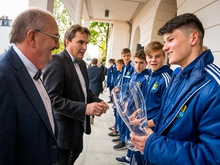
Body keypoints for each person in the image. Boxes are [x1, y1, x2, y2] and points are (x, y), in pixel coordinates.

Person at [130, 13, 220, 165]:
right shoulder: (178, 75)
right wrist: (146, 126)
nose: (164, 48)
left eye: (170, 40)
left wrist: (153, 145)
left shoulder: (214, 86)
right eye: (164, 42)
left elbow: (212, 158)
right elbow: (168, 116)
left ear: (193, 38)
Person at [0, 8, 59, 164]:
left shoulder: (32, 69)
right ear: (32, 37)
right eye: (55, 37)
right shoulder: (2, 79)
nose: (58, 45)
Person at [43, 24, 109, 165]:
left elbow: (85, 92)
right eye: (80, 42)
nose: (85, 47)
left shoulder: (83, 64)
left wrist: (97, 101)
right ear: (67, 42)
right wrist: (84, 108)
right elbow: (51, 99)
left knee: (76, 153)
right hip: (62, 133)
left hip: (78, 128)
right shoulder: (56, 62)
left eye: (86, 43)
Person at [116, 42, 173, 165]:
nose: (153, 60)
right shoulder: (152, 75)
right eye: (150, 57)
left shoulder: (166, 78)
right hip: (144, 125)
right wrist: (137, 113)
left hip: (154, 131)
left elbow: (168, 113)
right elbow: (146, 101)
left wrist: (144, 123)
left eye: (157, 56)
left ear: (164, 56)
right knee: (139, 159)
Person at [111, 48, 135, 151]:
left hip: (126, 99)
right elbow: (122, 83)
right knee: (120, 119)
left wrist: (127, 99)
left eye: (128, 55)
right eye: (124, 56)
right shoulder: (124, 67)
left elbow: (131, 85)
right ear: (122, 56)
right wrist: (118, 88)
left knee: (126, 122)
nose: (126, 57)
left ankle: (124, 140)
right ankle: (122, 137)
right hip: (121, 97)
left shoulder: (132, 68)